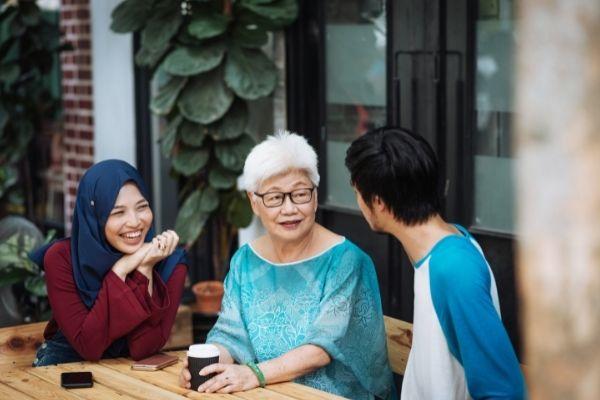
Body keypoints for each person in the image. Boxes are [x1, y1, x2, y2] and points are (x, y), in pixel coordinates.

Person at [179, 131, 394, 399]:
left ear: (315, 197)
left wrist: (254, 375)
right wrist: (208, 365)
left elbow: (322, 347)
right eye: (275, 198)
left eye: (300, 194)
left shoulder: (346, 261)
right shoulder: (244, 261)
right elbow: (229, 335)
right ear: (254, 202)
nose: (289, 209)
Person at [345, 126, 526, 399]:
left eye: (358, 193)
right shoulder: (438, 246)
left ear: (378, 202)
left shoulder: (453, 268)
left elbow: (503, 391)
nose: (358, 204)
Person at [30, 159, 187, 366]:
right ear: (95, 216)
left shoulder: (169, 264)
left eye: (142, 207)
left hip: (130, 375)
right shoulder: (61, 259)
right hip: (64, 368)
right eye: (118, 212)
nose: (134, 222)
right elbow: (89, 347)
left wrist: (144, 270)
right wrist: (120, 269)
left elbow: (144, 348)